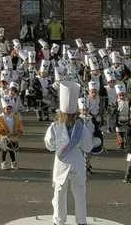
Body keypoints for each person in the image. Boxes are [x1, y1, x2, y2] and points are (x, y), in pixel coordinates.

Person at [43, 81, 89, 225]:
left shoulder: (55, 126)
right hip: (77, 161)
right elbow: (88, 147)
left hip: (61, 162)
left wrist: (60, 145)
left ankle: (59, 221)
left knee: (59, 194)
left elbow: (49, 145)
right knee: (79, 194)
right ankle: (81, 221)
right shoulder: (82, 127)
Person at [0, 96, 23, 170]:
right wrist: (2, 133)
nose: (9, 110)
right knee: (4, 150)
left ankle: (13, 163)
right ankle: (4, 162)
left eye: (10, 109)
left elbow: (19, 125)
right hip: (4, 137)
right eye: (7, 109)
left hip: (12, 136)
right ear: (4, 109)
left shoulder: (15, 117)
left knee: (12, 150)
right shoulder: (0, 118)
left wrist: (18, 132)